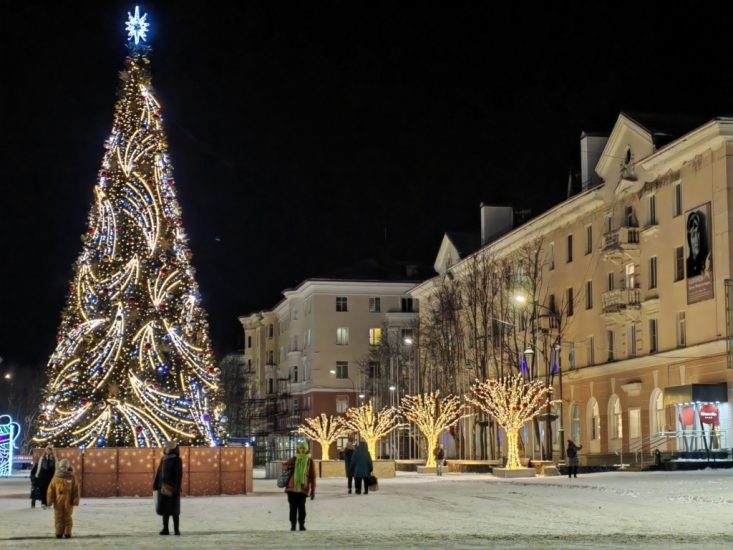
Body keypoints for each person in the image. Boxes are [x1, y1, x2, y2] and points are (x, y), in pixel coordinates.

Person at [284, 441, 317, 531]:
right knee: (292, 507)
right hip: (292, 487)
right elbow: (284, 465)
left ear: (307, 449)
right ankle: (293, 524)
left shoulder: (310, 461)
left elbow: (313, 476)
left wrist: (313, 489)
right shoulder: (294, 459)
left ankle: (301, 524)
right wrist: (290, 467)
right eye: (300, 448)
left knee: (302, 507)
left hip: (303, 487)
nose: (302, 450)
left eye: (304, 448)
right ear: (298, 449)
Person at [153, 441, 183, 536]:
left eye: (168, 447)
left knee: (174, 511)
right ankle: (165, 529)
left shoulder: (177, 460)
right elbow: (159, 472)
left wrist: (176, 487)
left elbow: (178, 475)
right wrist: (155, 485)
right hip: (163, 488)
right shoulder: (163, 459)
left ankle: (176, 530)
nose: (166, 449)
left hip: (172, 489)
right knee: (165, 510)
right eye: (166, 447)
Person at [46, 459, 80, 539]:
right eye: (62, 467)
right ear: (59, 467)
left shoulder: (72, 477)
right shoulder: (55, 477)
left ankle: (67, 532)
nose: (63, 468)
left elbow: (76, 489)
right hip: (58, 501)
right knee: (58, 517)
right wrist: (50, 500)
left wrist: (75, 499)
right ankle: (59, 532)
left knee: (67, 517)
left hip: (68, 501)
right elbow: (51, 490)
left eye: (65, 467)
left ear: (68, 467)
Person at [686, 209, 709, 277]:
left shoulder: (707, 260)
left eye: (698, 233)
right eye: (693, 234)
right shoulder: (688, 264)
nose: (696, 239)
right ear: (689, 239)